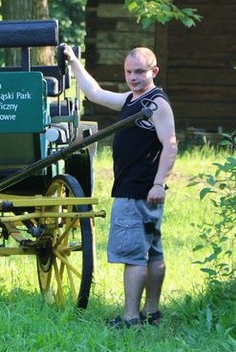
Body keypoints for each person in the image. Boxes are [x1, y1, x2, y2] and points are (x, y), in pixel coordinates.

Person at [62, 45, 178, 328]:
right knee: (151, 252)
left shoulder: (156, 104)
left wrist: (159, 183)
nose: (133, 77)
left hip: (138, 190)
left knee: (135, 255)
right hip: (137, 189)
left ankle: (130, 318)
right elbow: (96, 94)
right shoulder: (133, 98)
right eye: (129, 71)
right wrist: (74, 62)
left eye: (139, 71)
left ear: (154, 71)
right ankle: (151, 314)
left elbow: (171, 146)